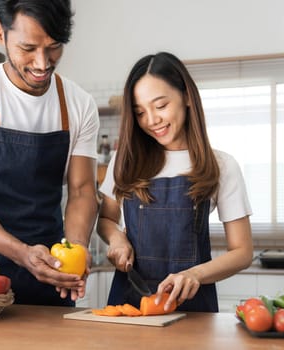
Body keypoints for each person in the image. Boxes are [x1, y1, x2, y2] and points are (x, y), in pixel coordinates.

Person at [0, 0, 99, 306]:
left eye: (54, 47)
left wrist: (75, 250)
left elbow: (81, 190)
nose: (42, 63)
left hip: (52, 274)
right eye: (28, 48)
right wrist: (23, 254)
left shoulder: (79, 104)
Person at [97, 52, 253, 312]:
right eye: (140, 112)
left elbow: (242, 251)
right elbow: (106, 220)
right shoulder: (124, 160)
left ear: (187, 97)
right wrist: (116, 240)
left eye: (160, 106)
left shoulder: (222, 165)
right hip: (130, 307)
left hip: (193, 310)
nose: (152, 120)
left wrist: (195, 275)